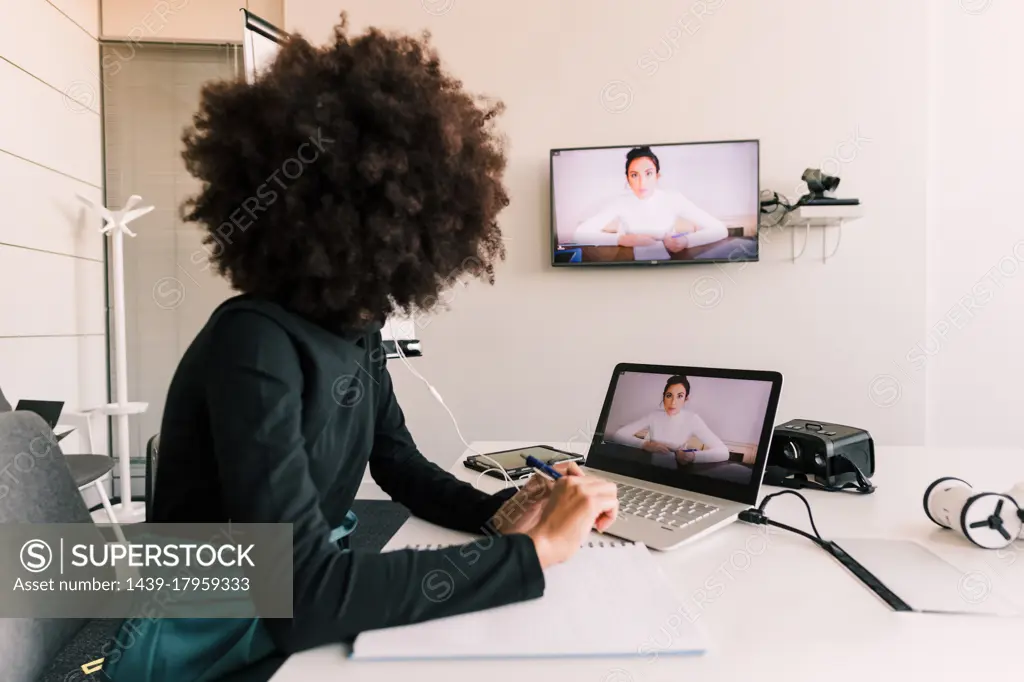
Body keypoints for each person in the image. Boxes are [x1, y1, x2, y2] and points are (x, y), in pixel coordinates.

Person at [102, 14, 618, 682]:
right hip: (207, 632)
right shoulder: (253, 344)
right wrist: (535, 552)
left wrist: (506, 514)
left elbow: (400, 465)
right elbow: (303, 599)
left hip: (291, 596)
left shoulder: (358, 329)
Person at [572, 146, 729, 252]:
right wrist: (621, 240)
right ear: (628, 178)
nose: (642, 183)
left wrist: (686, 241)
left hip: (669, 264)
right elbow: (580, 234)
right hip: (628, 266)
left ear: (657, 176)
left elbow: (720, 229)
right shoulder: (620, 201)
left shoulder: (673, 199)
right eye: (634, 175)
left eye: (648, 174)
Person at [611, 376, 730, 468]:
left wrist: (693, 456)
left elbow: (724, 452)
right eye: (669, 395)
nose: (673, 402)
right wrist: (646, 445)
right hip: (649, 469)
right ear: (664, 397)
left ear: (686, 399)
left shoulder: (692, 419)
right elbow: (619, 434)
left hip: (677, 472)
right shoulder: (654, 416)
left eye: (679, 396)